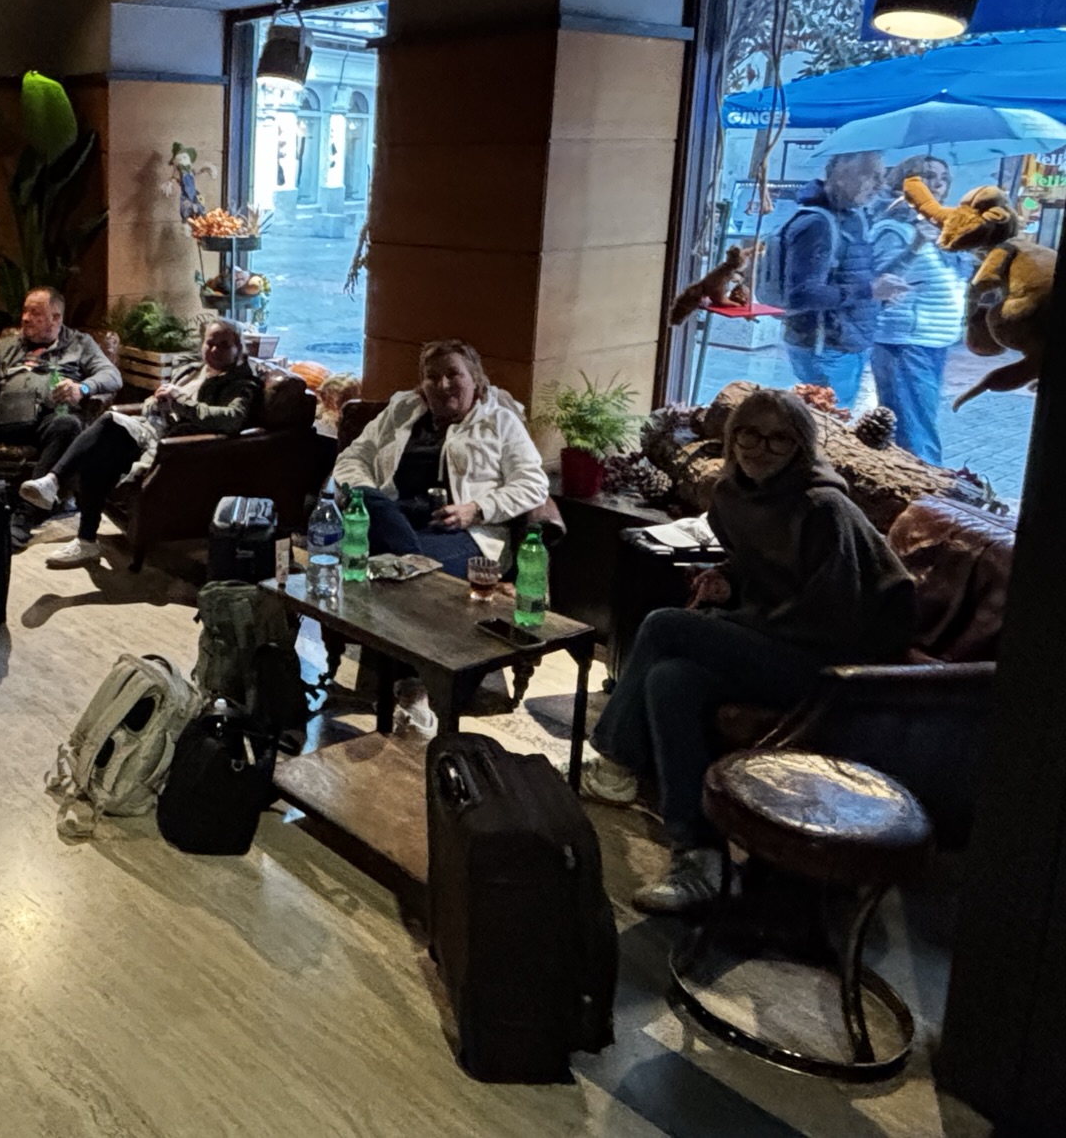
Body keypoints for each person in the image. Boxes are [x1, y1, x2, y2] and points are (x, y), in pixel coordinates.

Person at [582, 388, 915, 913]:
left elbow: (832, 616)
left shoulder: (822, 507)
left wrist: (734, 621)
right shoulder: (732, 496)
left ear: (801, 447)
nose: (761, 448)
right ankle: (699, 857)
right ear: (732, 438)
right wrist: (728, 581)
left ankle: (616, 758)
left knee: (666, 626)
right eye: (749, 434)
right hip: (778, 641)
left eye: (779, 439)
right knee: (671, 680)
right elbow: (761, 563)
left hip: (833, 666)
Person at [21, 320, 259, 570]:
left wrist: (181, 403)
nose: (214, 350)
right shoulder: (191, 370)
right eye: (210, 343)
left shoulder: (242, 382)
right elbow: (150, 404)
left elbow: (231, 419)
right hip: (152, 428)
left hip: (177, 448)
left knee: (107, 425)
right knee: (99, 453)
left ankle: (54, 483)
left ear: (239, 348)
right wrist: (156, 401)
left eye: (224, 345)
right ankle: (84, 537)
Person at [331, 340, 547, 576]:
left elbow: (532, 484)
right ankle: (406, 561)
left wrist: (476, 510)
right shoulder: (401, 411)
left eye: (453, 374)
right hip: (393, 518)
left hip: (462, 534)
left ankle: (405, 562)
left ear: (475, 379)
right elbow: (352, 458)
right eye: (432, 377)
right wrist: (369, 497)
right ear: (422, 385)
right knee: (365, 497)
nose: (443, 385)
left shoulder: (500, 422)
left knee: (358, 555)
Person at [0, 287, 122, 546]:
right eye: (25, 311)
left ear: (56, 318)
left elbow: (112, 376)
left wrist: (82, 388)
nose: (25, 318)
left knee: (68, 424)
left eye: (35, 313)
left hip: (48, 418)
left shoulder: (80, 344)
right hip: (5, 415)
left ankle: (24, 516)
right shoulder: (8, 345)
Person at [775, 150, 908, 403]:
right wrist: (869, 290)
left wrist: (879, 294)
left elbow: (848, 277)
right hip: (824, 348)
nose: (880, 185)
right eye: (870, 175)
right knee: (829, 421)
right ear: (840, 174)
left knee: (834, 417)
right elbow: (801, 294)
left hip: (847, 343)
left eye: (882, 176)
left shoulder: (851, 218)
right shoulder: (817, 224)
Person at [868, 156, 967, 464]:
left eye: (943, 178)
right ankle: (928, 485)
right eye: (927, 176)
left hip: (935, 341)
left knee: (917, 420)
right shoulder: (892, 227)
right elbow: (875, 279)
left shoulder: (944, 229)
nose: (936, 184)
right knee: (916, 430)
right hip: (905, 342)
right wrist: (913, 247)